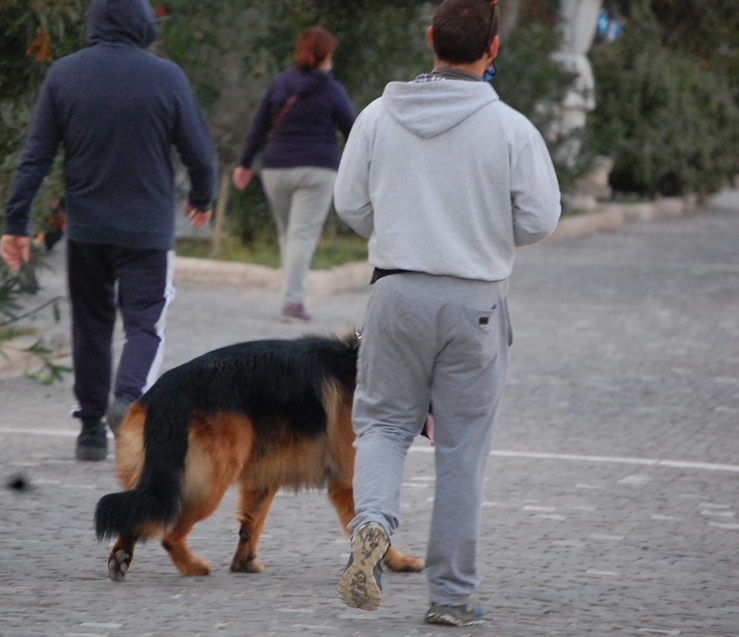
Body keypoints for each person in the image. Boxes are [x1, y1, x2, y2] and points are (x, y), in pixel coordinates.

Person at [333, 0, 561, 626]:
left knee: (380, 427)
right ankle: (453, 597)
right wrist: (484, 229)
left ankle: (372, 526)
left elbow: (350, 202)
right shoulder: (512, 128)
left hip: (396, 292)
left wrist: (402, 224)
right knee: (462, 450)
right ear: (492, 49)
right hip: (475, 301)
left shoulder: (378, 117)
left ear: (430, 38)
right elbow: (540, 218)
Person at [0, 0, 217, 462]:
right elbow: (198, 151)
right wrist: (202, 197)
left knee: (91, 326)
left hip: (86, 230)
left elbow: (36, 155)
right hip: (147, 233)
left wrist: (16, 222)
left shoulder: (64, 75)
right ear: (142, 23)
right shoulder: (166, 77)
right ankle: (129, 399)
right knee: (144, 325)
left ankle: (91, 431)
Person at [232, 27, 355, 322]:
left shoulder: (280, 84)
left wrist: (244, 163)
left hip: (275, 170)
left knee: (288, 235)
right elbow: (353, 130)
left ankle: (291, 296)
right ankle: (292, 302)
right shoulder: (332, 91)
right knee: (301, 236)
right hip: (316, 170)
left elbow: (259, 126)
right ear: (325, 56)